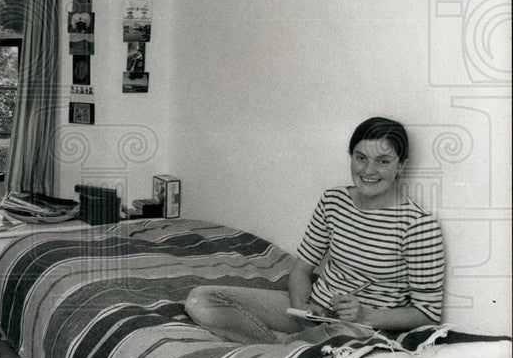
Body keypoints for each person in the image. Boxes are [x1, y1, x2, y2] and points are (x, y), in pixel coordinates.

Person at [184, 117, 444, 343]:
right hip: (314, 312)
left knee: (332, 339)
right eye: (360, 158)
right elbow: (301, 270)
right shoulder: (333, 200)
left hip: (358, 328)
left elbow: (427, 312)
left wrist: (365, 315)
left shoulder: (419, 226)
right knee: (201, 300)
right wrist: (302, 308)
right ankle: (282, 347)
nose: (368, 170)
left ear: (401, 166)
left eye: (383, 161)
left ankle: (290, 350)